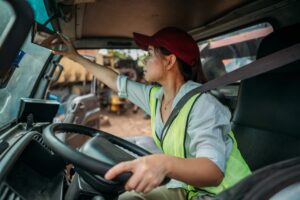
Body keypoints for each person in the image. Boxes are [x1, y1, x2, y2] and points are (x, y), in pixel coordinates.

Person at [53, 27, 251, 200]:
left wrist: (164, 164)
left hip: (231, 193)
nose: (143, 62)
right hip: (192, 190)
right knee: (128, 198)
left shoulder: (204, 105)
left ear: (169, 61)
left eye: (149, 54)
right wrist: (75, 57)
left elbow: (213, 172)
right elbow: (115, 81)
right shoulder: (156, 97)